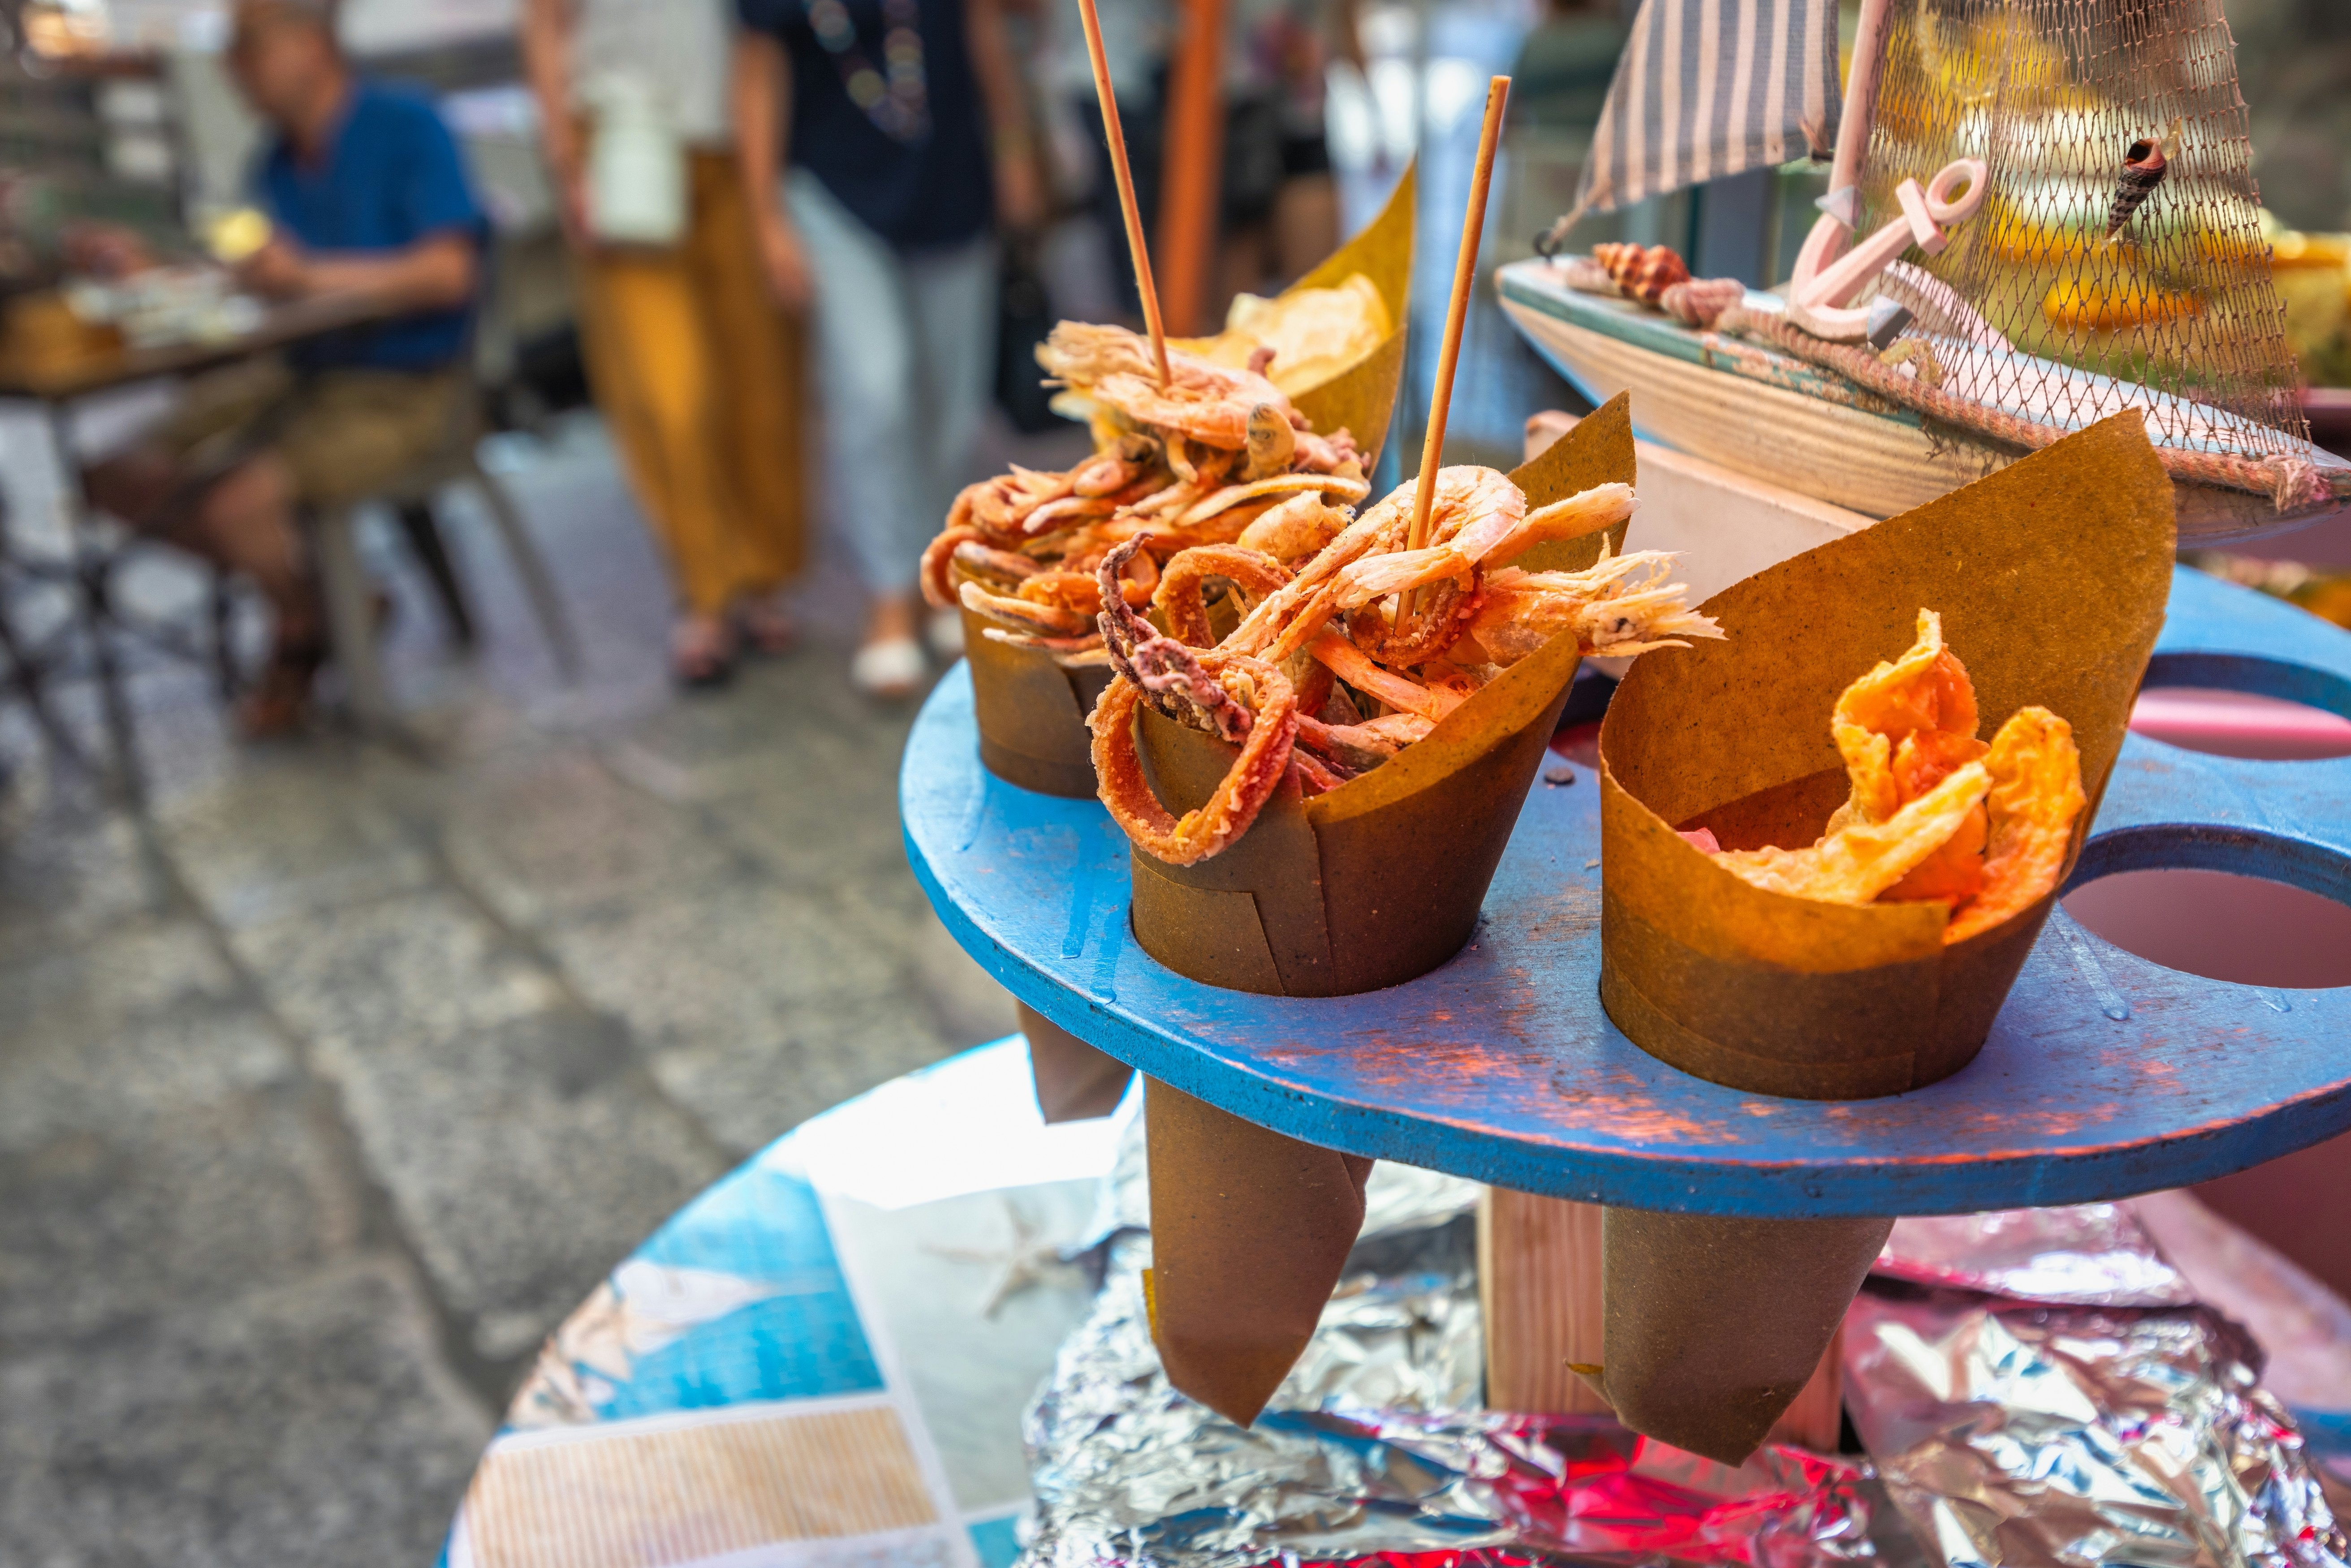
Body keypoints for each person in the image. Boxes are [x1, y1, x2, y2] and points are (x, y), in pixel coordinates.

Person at [82, 0, 486, 736]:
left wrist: (306, 277)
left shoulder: (406, 123)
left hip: (409, 384)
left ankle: (302, 631)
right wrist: (157, 272)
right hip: (301, 374)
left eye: (248, 46)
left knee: (236, 503)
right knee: (114, 474)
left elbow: (449, 275)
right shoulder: (273, 160)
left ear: (312, 42)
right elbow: (255, 279)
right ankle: (324, 606)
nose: (233, 68)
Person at [734, 0, 1044, 697]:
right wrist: (766, 218)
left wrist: (1014, 145)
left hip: (951, 175)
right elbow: (759, 70)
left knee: (951, 400)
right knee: (874, 389)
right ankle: (888, 596)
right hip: (829, 190)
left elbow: (983, 29)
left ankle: (942, 575)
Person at [522, 0, 808, 688]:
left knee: (761, 379)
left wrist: (771, 202)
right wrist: (566, 160)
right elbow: (544, 21)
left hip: (736, 141)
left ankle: (764, 574)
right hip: (623, 141)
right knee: (668, 391)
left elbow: (762, 35)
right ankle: (705, 589)